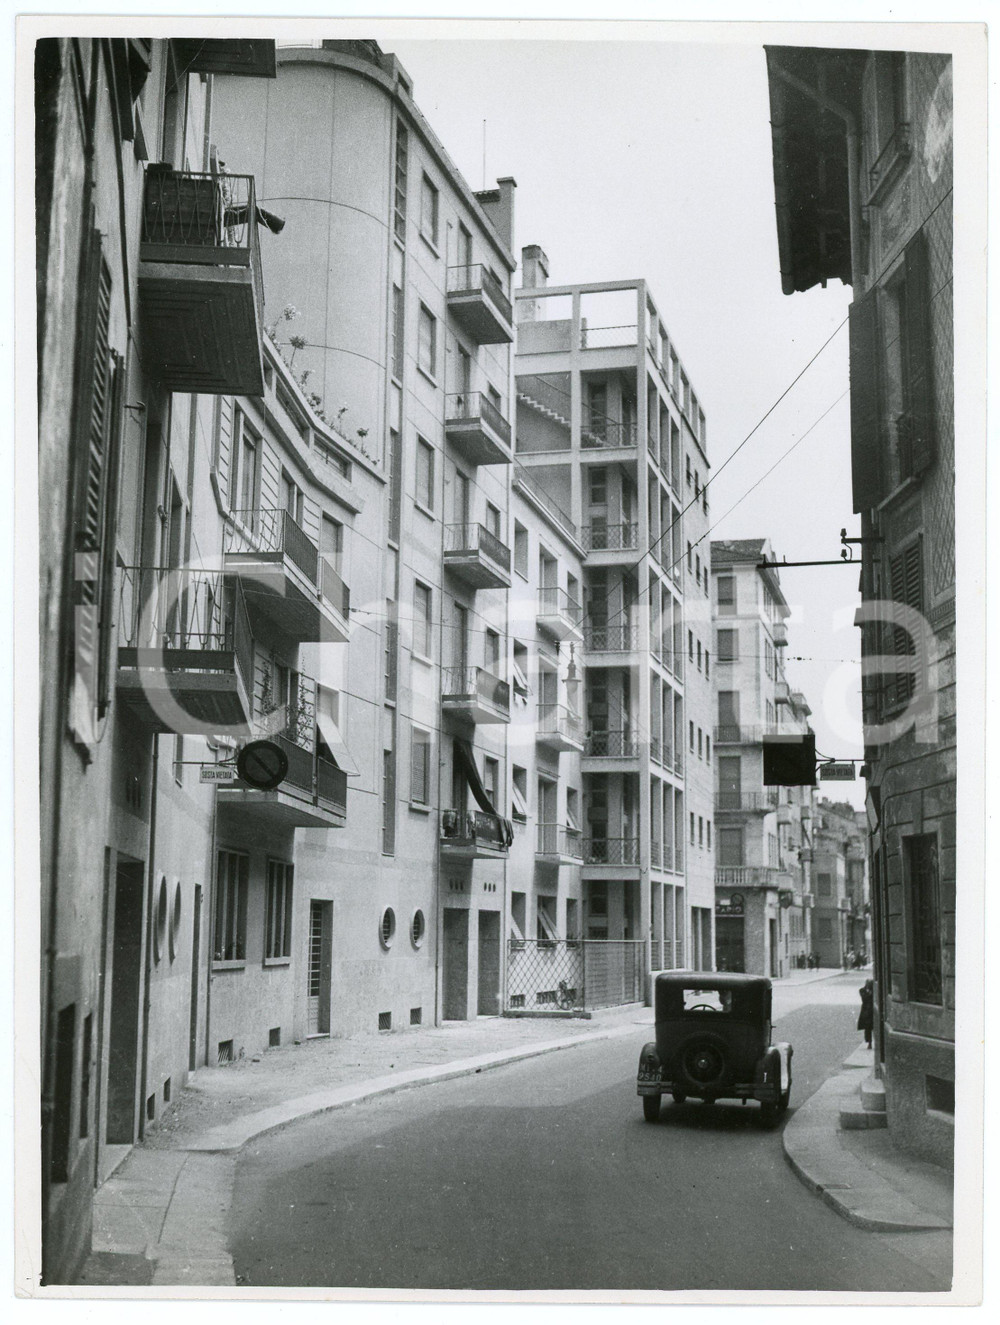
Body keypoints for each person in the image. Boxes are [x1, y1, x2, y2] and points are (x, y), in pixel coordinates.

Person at [857, 978, 874, 1049]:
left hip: (873, 1010)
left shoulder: (874, 990)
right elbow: (864, 998)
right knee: (868, 1027)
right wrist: (870, 993)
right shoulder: (862, 990)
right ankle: (869, 1042)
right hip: (866, 1011)